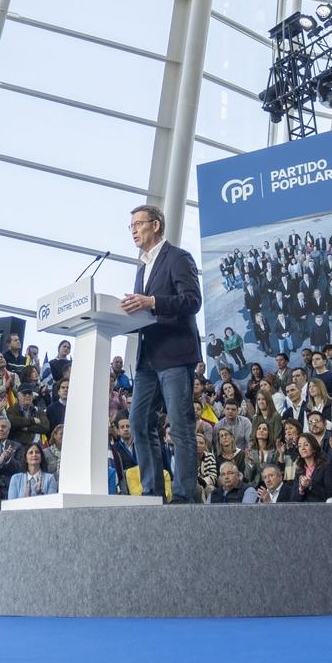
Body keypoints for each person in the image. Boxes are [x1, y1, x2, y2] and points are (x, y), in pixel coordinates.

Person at [123, 203, 204, 505]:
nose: (133, 230)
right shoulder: (142, 267)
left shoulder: (178, 258)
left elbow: (191, 300)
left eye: (137, 224)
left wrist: (151, 301)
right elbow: (145, 308)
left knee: (180, 426)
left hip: (174, 354)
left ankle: (184, 495)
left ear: (155, 225)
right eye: (130, 226)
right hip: (147, 358)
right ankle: (152, 494)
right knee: (139, 423)